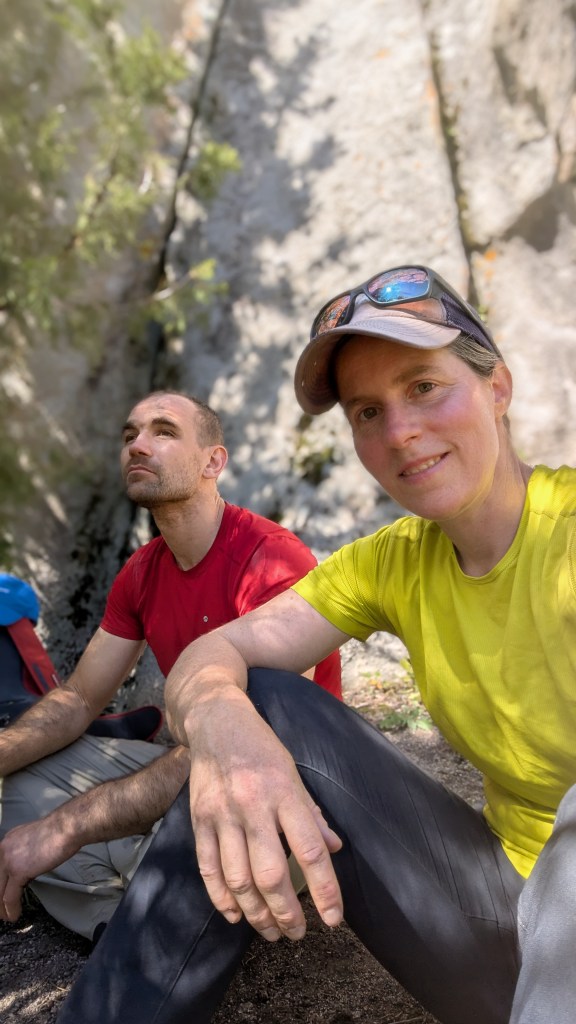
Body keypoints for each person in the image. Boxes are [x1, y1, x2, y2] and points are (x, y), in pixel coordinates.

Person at [54, 266, 575, 1024]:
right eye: (369, 410)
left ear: (497, 386)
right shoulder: (390, 563)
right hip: (499, 925)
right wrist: (230, 743)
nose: (399, 431)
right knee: (263, 703)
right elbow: (208, 661)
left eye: (425, 386)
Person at [0, 390, 341, 942]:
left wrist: (70, 824)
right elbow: (83, 698)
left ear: (213, 461)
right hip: (191, 765)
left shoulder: (271, 559)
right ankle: (128, 917)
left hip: (283, 781)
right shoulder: (142, 571)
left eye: (163, 431)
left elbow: (253, 743)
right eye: (130, 434)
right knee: (23, 775)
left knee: (77, 827)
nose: (138, 444)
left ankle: (144, 896)